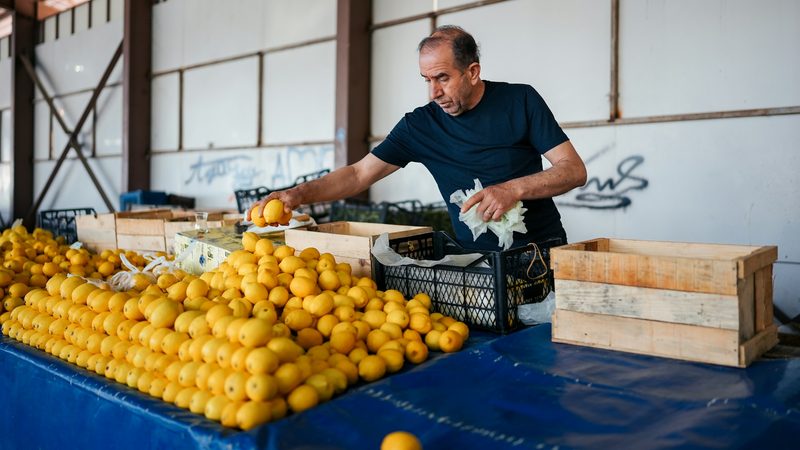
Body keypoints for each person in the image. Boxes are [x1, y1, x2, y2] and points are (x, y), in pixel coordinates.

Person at [255, 25, 586, 252]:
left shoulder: (520, 101)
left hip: (541, 253)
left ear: (472, 72)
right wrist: (297, 194)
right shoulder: (420, 126)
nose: (434, 92)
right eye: (426, 79)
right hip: (475, 262)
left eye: (443, 78)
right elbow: (359, 174)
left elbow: (573, 169)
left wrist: (513, 189)